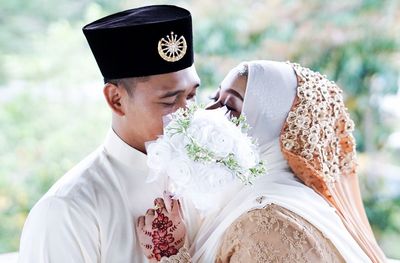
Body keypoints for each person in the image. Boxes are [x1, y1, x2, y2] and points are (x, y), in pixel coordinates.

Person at [138, 61, 386, 262]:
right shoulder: (248, 200)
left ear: (273, 130)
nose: (207, 114)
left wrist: (169, 256)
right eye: (215, 98)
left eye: (230, 107)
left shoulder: (265, 225)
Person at [18, 5, 199, 262]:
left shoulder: (203, 178)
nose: (187, 113)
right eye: (170, 101)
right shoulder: (67, 209)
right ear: (116, 100)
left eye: (192, 95)